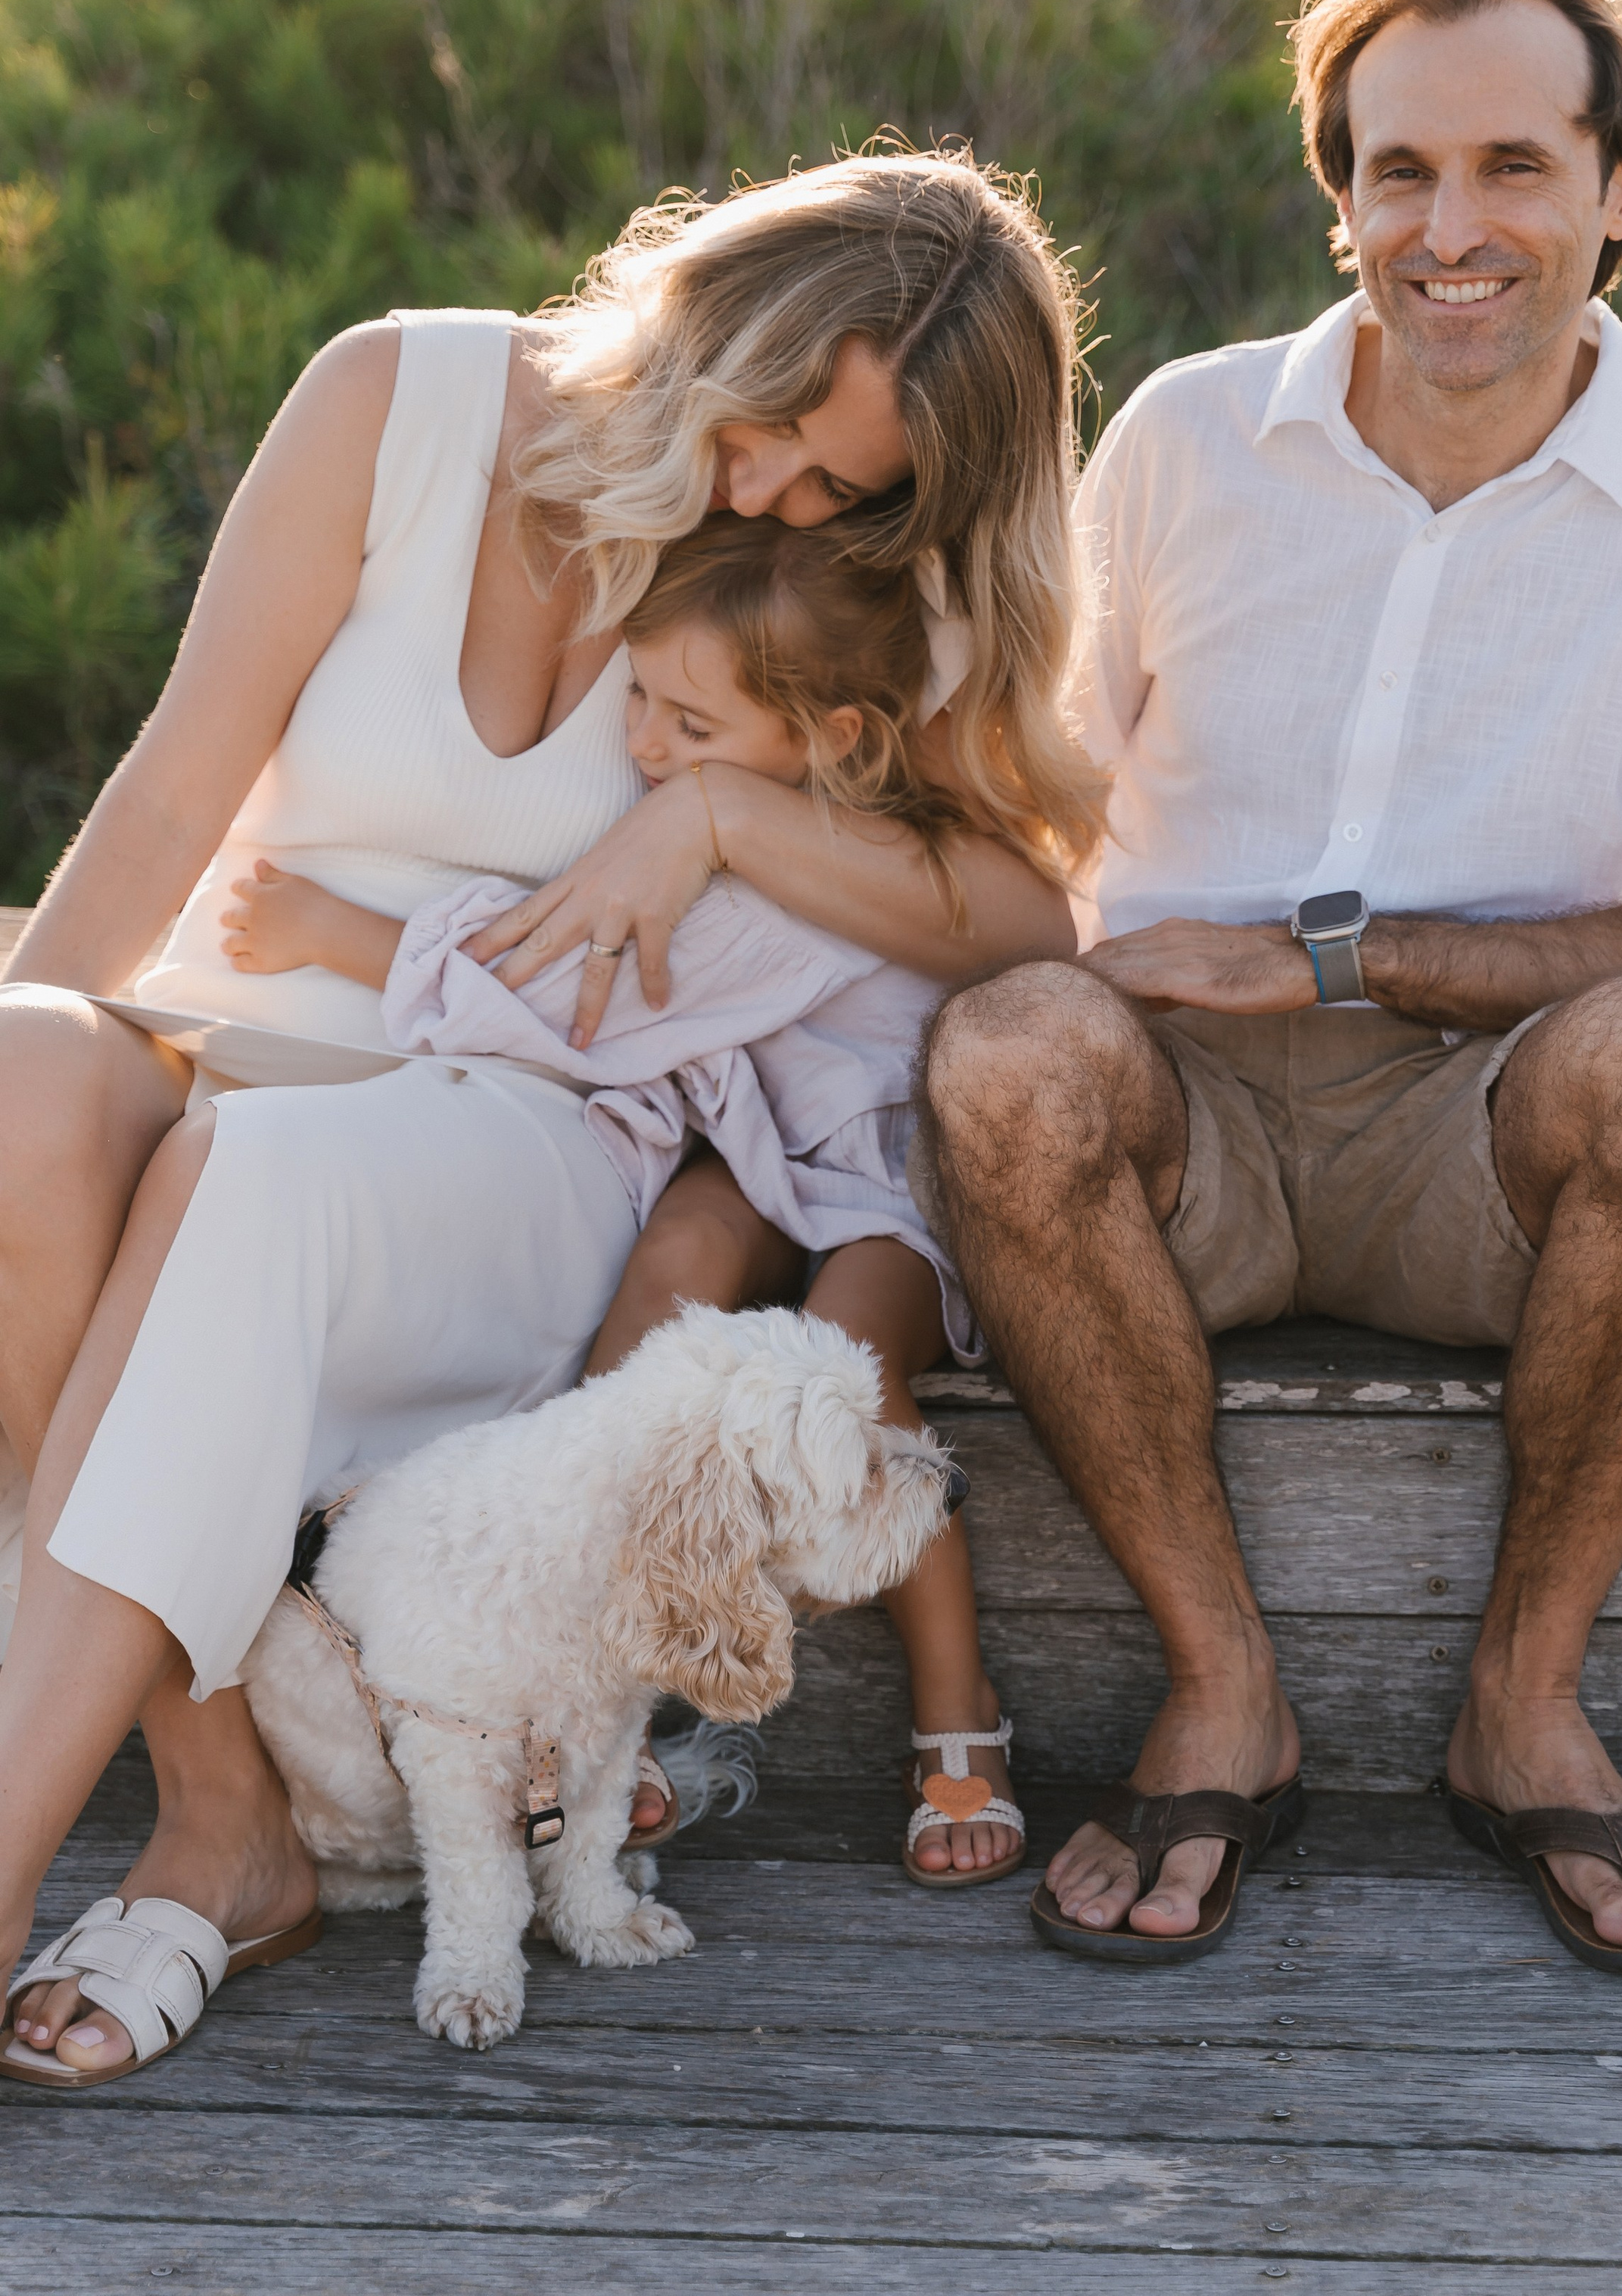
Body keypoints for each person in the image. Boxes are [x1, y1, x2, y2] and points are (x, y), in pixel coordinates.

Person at [0, 152, 1103, 2084]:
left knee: (240, 1174)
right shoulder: (392, 398)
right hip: (244, 1034)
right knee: (20, 1084)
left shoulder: (827, 587)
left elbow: (1024, 916)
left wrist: (722, 816)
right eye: (772, 431)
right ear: (714, 318)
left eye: (844, 484)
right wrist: (47, 1027)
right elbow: (175, 797)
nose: (774, 496)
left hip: (510, 1133)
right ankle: (225, 1813)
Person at [919, 0, 1622, 1974]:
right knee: (1003, 1052)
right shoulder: (1182, 438)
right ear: (1338, 194)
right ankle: (1221, 1684)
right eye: (1399, 172)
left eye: (1515, 166)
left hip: (1487, 1145)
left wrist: (1351, 960)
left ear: (1621, 194)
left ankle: (1523, 1703)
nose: (1453, 229)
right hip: (1188, 1134)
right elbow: (1041, 785)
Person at [225, 511, 1026, 1891]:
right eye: (639, 700)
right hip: (760, 1156)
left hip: (888, 1176)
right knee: (673, 1263)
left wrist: (335, 934)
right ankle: (610, 1690)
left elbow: (573, 995)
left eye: (690, 722)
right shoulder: (697, 822)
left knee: (854, 1357)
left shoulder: (798, 870)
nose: (647, 745)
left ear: (832, 737)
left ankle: (956, 1709)